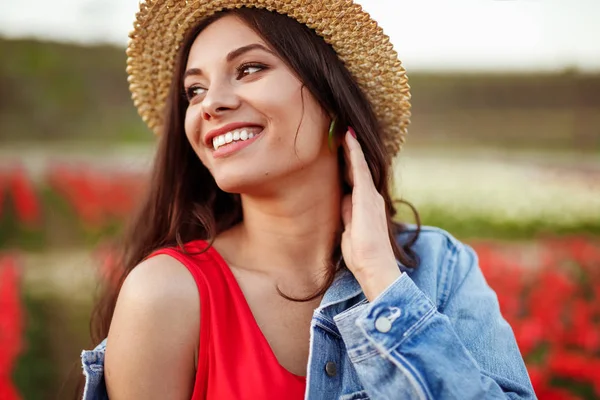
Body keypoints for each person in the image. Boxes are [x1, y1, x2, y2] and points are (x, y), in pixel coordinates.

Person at [79, 1, 536, 399]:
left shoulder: (441, 268)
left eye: (249, 69)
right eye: (194, 90)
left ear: (331, 97)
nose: (210, 104)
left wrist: (382, 282)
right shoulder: (164, 294)